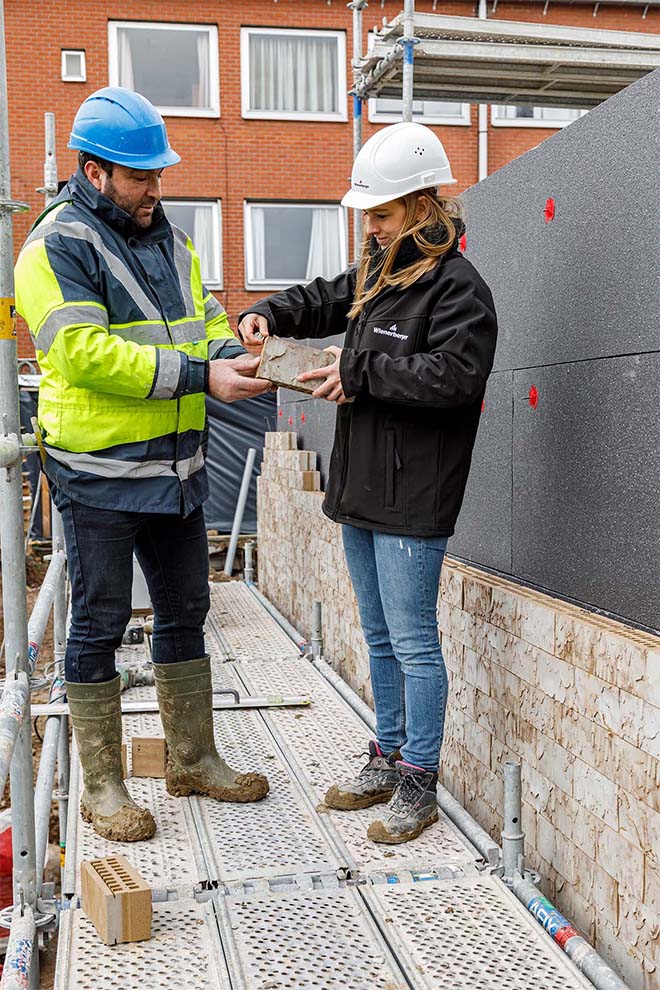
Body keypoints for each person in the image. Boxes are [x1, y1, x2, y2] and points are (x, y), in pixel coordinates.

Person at [14, 87, 272, 843]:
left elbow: (208, 320)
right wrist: (201, 377)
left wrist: (235, 354)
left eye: (159, 173)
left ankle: (193, 757)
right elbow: (81, 355)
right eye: (140, 175)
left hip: (177, 470)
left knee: (186, 610)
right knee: (97, 623)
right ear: (94, 173)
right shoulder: (56, 245)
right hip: (99, 474)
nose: (156, 188)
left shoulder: (170, 238)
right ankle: (102, 787)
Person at [238, 122, 497, 844]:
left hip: (416, 494)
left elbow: (454, 377)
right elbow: (324, 297)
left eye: (380, 214)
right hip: (362, 486)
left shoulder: (459, 289)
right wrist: (267, 314)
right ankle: (386, 755)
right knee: (379, 635)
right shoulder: (383, 273)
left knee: (414, 642)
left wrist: (357, 373)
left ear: (420, 205)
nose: (371, 227)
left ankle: (419, 779)